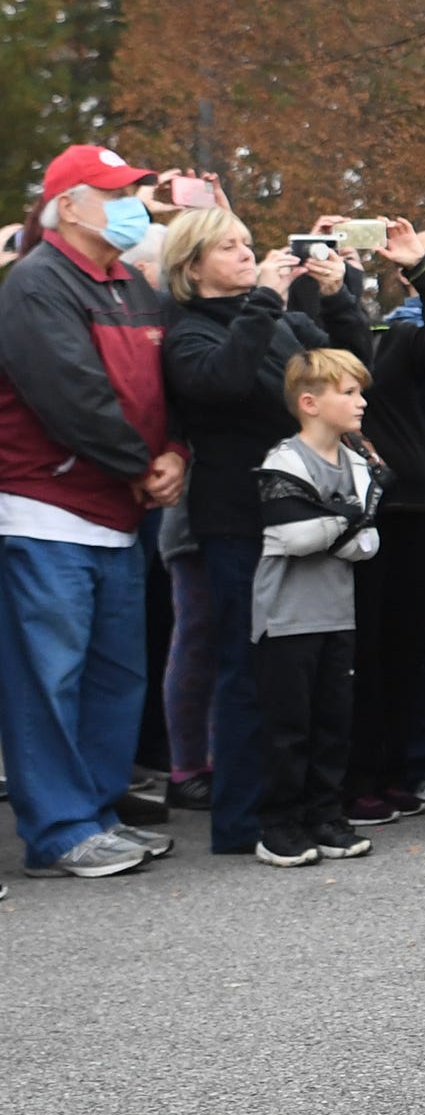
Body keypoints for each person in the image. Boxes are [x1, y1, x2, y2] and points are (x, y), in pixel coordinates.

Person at [160, 207, 368, 860]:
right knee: (250, 671)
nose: (247, 253)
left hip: (307, 515)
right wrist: (264, 305)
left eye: (249, 243)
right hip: (237, 522)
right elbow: (221, 384)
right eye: (228, 246)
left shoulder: (281, 319)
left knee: (318, 674)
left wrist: (338, 297)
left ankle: (310, 810)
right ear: (192, 266)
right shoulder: (188, 332)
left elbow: (353, 373)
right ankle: (244, 819)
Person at [0, 145, 183, 879]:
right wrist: (143, 465)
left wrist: (176, 451)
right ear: (67, 205)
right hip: (49, 508)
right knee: (49, 675)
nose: (132, 204)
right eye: (114, 193)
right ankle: (60, 827)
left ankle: (98, 812)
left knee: (116, 671)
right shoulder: (35, 283)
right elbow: (70, 394)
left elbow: (168, 384)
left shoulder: (131, 282)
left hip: (119, 506)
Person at [343, 222, 425, 825]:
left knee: (406, 648)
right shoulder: (323, 333)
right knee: (364, 649)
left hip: (415, 505)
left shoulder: (395, 336)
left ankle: (392, 772)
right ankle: (358, 776)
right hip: (358, 512)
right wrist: (319, 285)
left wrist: (421, 267)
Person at [248, 349, 384, 866]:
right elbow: (293, 534)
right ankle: (279, 825)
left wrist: (333, 520)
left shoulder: (356, 462)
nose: (361, 402)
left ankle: (326, 816)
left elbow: (366, 544)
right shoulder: (283, 460)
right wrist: (343, 519)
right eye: (348, 393)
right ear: (309, 402)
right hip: (286, 620)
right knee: (288, 728)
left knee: (333, 723)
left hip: (337, 614)